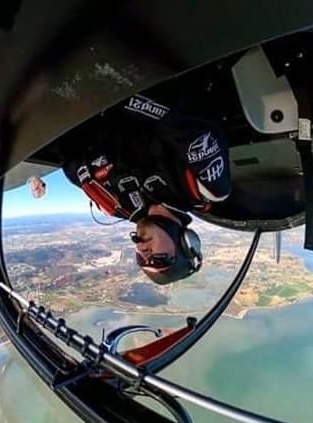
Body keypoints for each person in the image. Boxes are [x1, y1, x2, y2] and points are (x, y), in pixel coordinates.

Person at [31, 93, 231, 285]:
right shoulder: (204, 186)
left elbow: (69, 159)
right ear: (186, 244)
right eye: (158, 260)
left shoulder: (113, 206)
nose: (143, 252)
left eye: (141, 261)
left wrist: (35, 169)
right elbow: (181, 117)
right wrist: (111, 94)